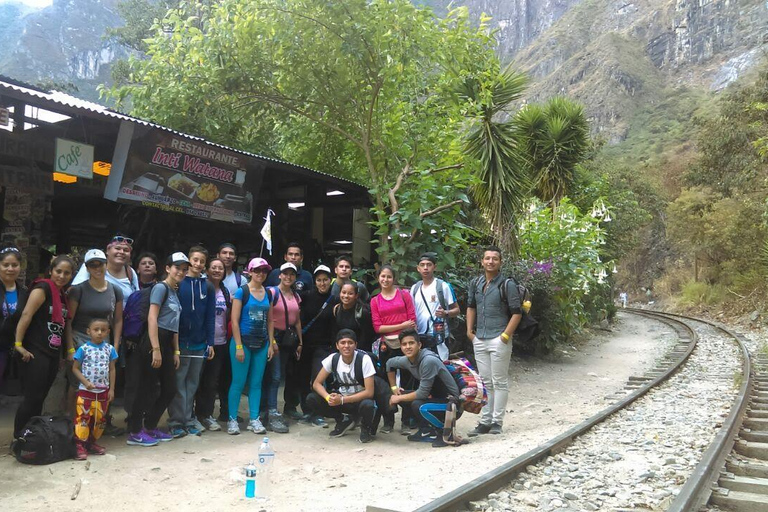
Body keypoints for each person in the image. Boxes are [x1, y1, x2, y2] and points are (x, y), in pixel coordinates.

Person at [125, 252, 187, 447]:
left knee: (170, 389)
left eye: (184, 269)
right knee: (146, 388)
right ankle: (135, 431)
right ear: (167, 268)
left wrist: (175, 351)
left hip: (167, 341)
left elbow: (175, 324)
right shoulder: (160, 288)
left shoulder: (175, 291)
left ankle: (150, 426)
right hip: (153, 342)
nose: (181, 272)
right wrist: (156, 348)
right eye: (177, 268)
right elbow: (152, 318)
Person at [13, 255, 75, 439]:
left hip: (52, 353)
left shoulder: (63, 295)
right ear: (51, 270)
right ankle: (19, 436)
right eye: (58, 271)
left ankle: (30, 434)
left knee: (40, 397)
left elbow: (65, 326)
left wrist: (69, 351)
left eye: (67, 273)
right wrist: (18, 344)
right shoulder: (43, 288)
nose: (62, 276)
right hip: (34, 350)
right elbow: (26, 315)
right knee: (32, 397)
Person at [465, 246, 521, 437]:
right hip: (479, 337)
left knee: (499, 381)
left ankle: (497, 421)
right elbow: (471, 307)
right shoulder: (476, 283)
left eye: (494, 259)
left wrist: (505, 336)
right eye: (487, 258)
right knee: (485, 381)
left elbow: (517, 312)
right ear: (482, 261)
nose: (490, 262)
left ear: (500, 262)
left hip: (499, 338)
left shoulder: (507, 284)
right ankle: (485, 421)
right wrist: (469, 332)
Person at [65, 249, 124, 417]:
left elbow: (118, 320)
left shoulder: (115, 290)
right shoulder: (78, 290)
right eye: (93, 265)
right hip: (80, 340)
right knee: (77, 383)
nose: (97, 269)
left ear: (106, 265)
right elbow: (69, 320)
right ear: (87, 268)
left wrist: (116, 346)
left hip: (104, 342)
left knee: (103, 381)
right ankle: (72, 421)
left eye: (101, 264)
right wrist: (70, 348)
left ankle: (99, 422)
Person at [168, 246, 215, 437]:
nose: (198, 264)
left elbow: (210, 316)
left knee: (192, 384)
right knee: (178, 384)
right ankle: (175, 422)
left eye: (202, 261)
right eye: (194, 260)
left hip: (199, 343)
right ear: (189, 261)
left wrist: (210, 342)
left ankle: (188, 419)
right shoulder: (179, 283)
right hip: (180, 342)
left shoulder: (208, 286)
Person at [386, 329, 462, 447]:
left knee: (418, 405)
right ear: (400, 347)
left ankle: (445, 432)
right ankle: (425, 430)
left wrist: (398, 398)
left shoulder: (428, 360)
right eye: (404, 344)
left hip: (452, 404)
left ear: (419, 345)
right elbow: (389, 364)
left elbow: (422, 394)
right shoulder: (407, 360)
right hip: (436, 399)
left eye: (411, 343)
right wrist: (394, 387)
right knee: (402, 396)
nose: (408, 347)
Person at [228, 257, 275, 435]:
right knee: (238, 382)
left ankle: (254, 419)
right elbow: (234, 320)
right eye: (257, 271)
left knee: (256, 383)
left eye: (264, 271)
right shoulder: (242, 292)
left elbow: (270, 320)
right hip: (243, 342)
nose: (261, 274)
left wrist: (272, 343)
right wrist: (239, 346)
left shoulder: (269, 293)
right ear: (250, 272)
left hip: (262, 342)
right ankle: (232, 419)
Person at [305, 329, 378, 443]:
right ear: (337, 346)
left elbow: (369, 392)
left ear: (355, 345)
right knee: (312, 399)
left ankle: (365, 428)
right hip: (341, 398)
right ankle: (343, 420)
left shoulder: (364, 359)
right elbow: (316, 383)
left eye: (350, 342)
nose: (346, 346)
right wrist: (329, 398)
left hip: (358, 400)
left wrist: (342, 400)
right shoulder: (333, 358)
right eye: (342, 343)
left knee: (368, 404)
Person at [370, 264, 417, 434]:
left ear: (394, 279)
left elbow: (412, 321)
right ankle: (388, 420)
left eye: (389, 277)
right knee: (384, 385)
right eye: (382, 276)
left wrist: (400, 328)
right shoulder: (375, 300)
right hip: (386, 346)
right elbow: (377, 328)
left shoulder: (404, 296)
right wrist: (401, 325)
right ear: (378, 278)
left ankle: (406, 421)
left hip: (406, 345)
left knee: (408, 381)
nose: (385, 280)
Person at [263, 262, 303, 431]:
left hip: (288, 339)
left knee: (279, 375)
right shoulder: (272, 292)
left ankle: (269, 410)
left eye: (291, 274)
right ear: (279, 275)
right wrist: (271, 341)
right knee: (274, 376)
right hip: (274, 338)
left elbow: (297, 320)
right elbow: (267, 317)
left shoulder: (296, 295)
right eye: (285, 273)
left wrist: (300, 342)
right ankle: (270, 411)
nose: (288, 277)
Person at [71, 318, 118, 460]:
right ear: (88, 331)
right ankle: (79, 445)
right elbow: (75, 368)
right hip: (86, 392)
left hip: (103, 392)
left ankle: (91, 443)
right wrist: (85, 382)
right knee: (83, 418)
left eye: (103, 330)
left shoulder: (110, 349)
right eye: (96, 330)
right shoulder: (83, 349)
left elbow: (112, 369)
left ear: (108, 332)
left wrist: (111, 389)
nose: (99, 333)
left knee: (99, 419)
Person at [297, 265, 337, 427]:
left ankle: (317, 413)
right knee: (302, 378)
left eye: (325, 280)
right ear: (314, 281)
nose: (322, 283)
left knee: (318, 379)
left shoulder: (334, 299)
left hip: (324, 346)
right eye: (319, 280)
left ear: (330, 281)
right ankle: (307, 411)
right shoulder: (306, 297)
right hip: (305, 344)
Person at [195, 257, 231, 431]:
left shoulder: (225, 292)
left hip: (221, 342)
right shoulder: (202, 288)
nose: (217, 271)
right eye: (214, 267)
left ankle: (206, 415)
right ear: (207, 270)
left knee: (212, 382)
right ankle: (192, 415)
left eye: (221, 268)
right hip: (202, 342)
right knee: (196, 380)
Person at [410, 253, 460, 361]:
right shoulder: (415, 288)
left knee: (440, 367)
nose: (425, 268)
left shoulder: (443, 286)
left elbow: (457, 310)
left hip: (439, 337)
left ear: (435, 267)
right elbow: (411, 312)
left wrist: (446, 313)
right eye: (422, 265)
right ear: (418, 268)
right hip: (420, 336)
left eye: (429, 264)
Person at [72, 235, 139, 305]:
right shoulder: (92, 266)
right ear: (108, 250)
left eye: (126, 250)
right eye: (117, 248)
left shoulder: (130, 272)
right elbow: (74, 291)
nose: (122, 252)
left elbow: (137, 298)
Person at [0, 247, 27, 393]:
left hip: (6, 347)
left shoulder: (24, 292)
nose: (10, 269)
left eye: (14, 265)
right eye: (5, 265)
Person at [332, 282, 375, 352]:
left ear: (356, 295)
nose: (346, 296)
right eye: (343, 292)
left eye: (350, 293)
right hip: (342, 350)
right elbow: (335, 333)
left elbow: (367, 336)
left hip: (359, 351)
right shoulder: (336, 309)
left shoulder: (362, 312)